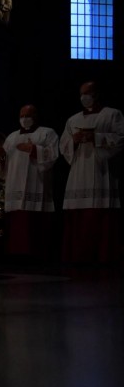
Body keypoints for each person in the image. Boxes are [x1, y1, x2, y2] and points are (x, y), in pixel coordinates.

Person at [59, 81, 124, 264]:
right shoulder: (73, 120)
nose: (83, 97)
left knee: (101, 216)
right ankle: (79, 257)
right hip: (78, 171)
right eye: (81, 94)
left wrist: (95, 137)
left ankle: (103, 257)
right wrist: (74, 140)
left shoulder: (112, 114)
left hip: (101, 171)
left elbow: (121, 138)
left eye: (87, 93)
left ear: (97, 93)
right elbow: (63, 145)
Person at [0, 104, 60, 261]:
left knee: (35, 226)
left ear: (36, 116)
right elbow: (3, 168)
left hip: (36, 183)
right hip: (15, 185)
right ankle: (16, 255)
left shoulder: (47, 133)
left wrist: (33, 150)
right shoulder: (11, 137)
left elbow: (53, 155)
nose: (24, 119)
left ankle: (37, 255)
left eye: (28, 115)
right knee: (17, 224)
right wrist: (1, 157)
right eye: (22, 116)